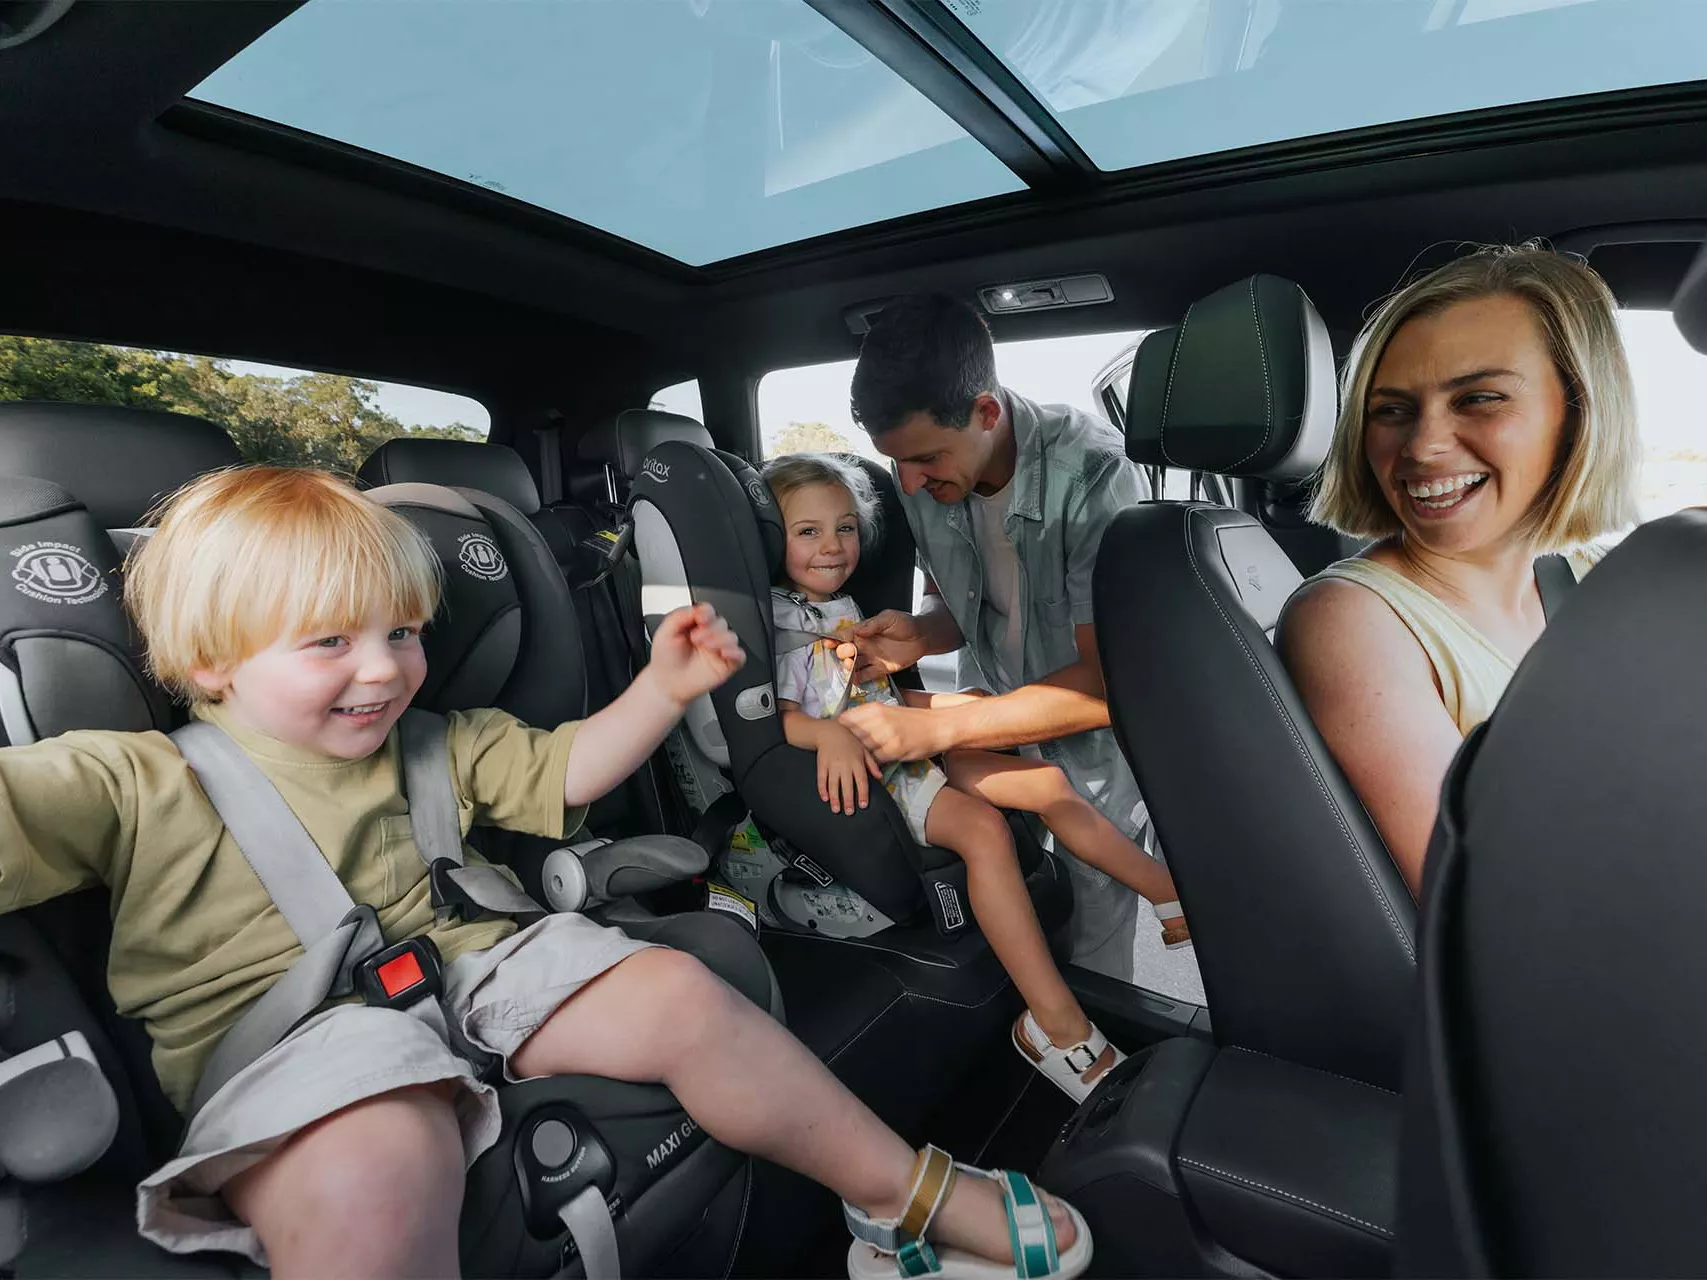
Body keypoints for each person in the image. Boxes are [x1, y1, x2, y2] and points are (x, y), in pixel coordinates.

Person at [0, 465, 1094, 1280]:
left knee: (671, 988)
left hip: (472, 969)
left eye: (403, 632)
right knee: (379, 1151)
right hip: (292, 1044)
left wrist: (663, 690)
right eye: (329, 642)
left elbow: (570, 764)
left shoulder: (435, 737)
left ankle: (894, 1194)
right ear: (211, 661)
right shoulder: (127, 777)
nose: (383, 668)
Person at [765, 455, 1190, 1099]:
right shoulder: (778, 621)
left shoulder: (840, 605)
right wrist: (824, 732)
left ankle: (1167, 892)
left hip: (897, 729)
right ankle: (1057, 1026)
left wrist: (919, 681)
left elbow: (866, 689)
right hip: (878, 765)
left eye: (846, 528)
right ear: (775, 541)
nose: (833, 546)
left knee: (1043, 780)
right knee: (985, 832)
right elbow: (778, 720)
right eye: (809, 532)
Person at [840, 293, 1190, 990]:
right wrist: (918, 636)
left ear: (986, 412)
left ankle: (1103, 1072)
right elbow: (959, 605)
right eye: (896, 464)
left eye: (925, 459)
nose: (907, 483)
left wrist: (934, 729)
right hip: (997, 718)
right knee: (1020, 907)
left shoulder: (1094, 476)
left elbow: (1106, 686)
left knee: (1092, 939)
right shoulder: (920, 478)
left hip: (1091, 743)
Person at [1277, 244, 1641, 896]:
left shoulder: (1599, 576)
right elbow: (1482, 903)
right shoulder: (1353, 620)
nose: (1420, 447)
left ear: (1579, 412)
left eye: (1477, 398)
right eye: (1390, 410)